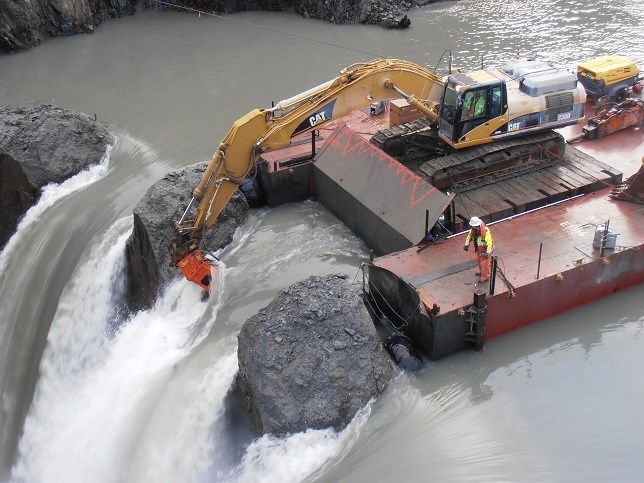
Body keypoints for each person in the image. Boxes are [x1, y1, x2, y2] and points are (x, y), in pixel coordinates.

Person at [463, 216, 493, 283]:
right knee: (479, 261)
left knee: (485, 264)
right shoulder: (473, 231)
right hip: (479, 250)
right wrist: (466, 245)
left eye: (475, 226)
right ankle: (481, 271)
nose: (474, 228)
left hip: (485, 250)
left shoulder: (486, 231)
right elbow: (469, 237)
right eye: (473, 226)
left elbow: (489, 243)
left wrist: (487, 253)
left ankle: (485, 277)